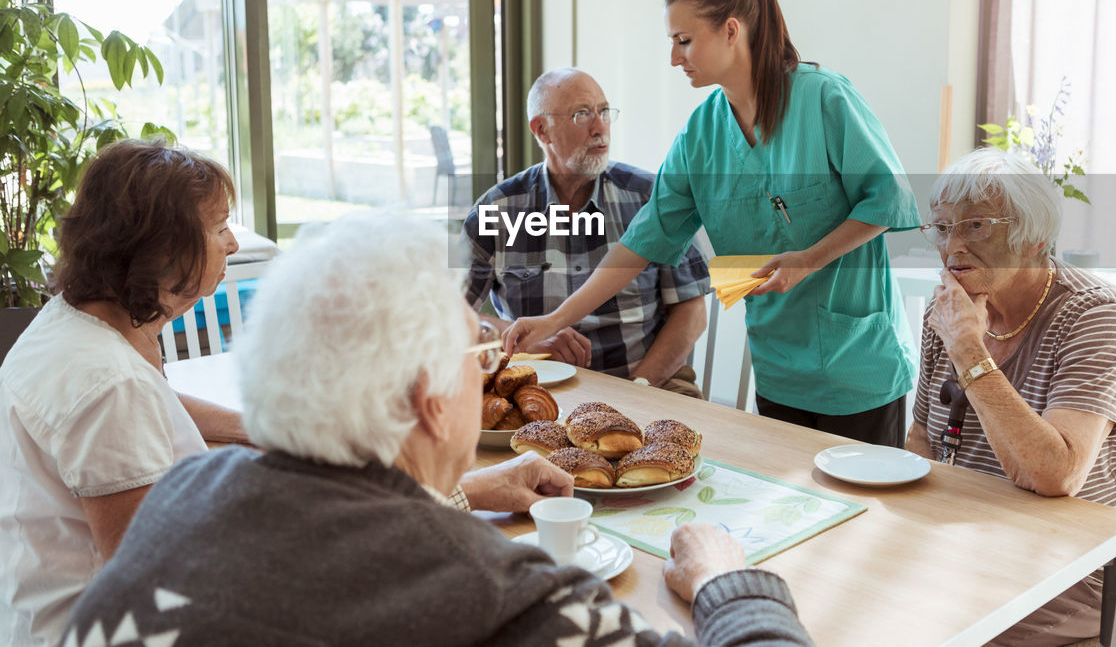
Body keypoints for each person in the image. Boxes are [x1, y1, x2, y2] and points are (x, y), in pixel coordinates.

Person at [62, 212, 814, 646]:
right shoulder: (502, 596)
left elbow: (337, 544)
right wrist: (727, 583)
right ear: (429, 397)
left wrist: (459, 491)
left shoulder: (183, 495)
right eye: (479, 353)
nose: (488, 370)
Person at [507, 0, 920, 444]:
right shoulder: (701, 135)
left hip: (858, 369)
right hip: (779, 371)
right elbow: (640, 242)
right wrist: (554, 320)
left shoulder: (824, 98)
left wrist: (809, 260)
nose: (674, 57)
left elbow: (888, 198)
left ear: (730, 31)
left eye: (683, 40)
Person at [906, 148, 1116, 645]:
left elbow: (1055, 472)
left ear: (1034, 238)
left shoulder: (1096, 315)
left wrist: (968, 350)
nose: (952, 246)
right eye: (941, 228)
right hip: (977, 537)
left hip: (1087, 566)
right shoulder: (948, 312)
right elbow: (921, 439)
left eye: (976, 226)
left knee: (924, 625)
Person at [0, 139, 247, 646]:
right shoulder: (109, 385)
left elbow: (158, 404)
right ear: (163, 248)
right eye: (220, 227)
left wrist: (256, 430)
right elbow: (149, 581)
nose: (233, 244)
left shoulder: (75, 318)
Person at [464, 67, 711, 397]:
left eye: (604, 112)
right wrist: (518, 335)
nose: (600, 128)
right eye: (582, 115)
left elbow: (691, 312)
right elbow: (449, 310)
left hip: (648, 382)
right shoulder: (497, 209)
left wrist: (640, 387)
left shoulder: (649, 196)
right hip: (537, 389)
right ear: (542, 130)